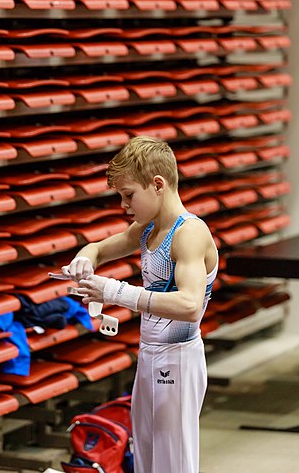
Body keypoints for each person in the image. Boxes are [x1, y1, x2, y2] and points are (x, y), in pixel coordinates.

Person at [61, 136, 218, 473]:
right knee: (145, 457)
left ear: (157, 184)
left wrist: (115, 292)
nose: (123, 205)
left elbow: (190, 304)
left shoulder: (189, 233)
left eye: (128, 195)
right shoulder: (147, 229)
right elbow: (99, 248)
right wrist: (84, 260)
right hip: (150, 353)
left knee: (173, 461)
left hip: (178, 358)